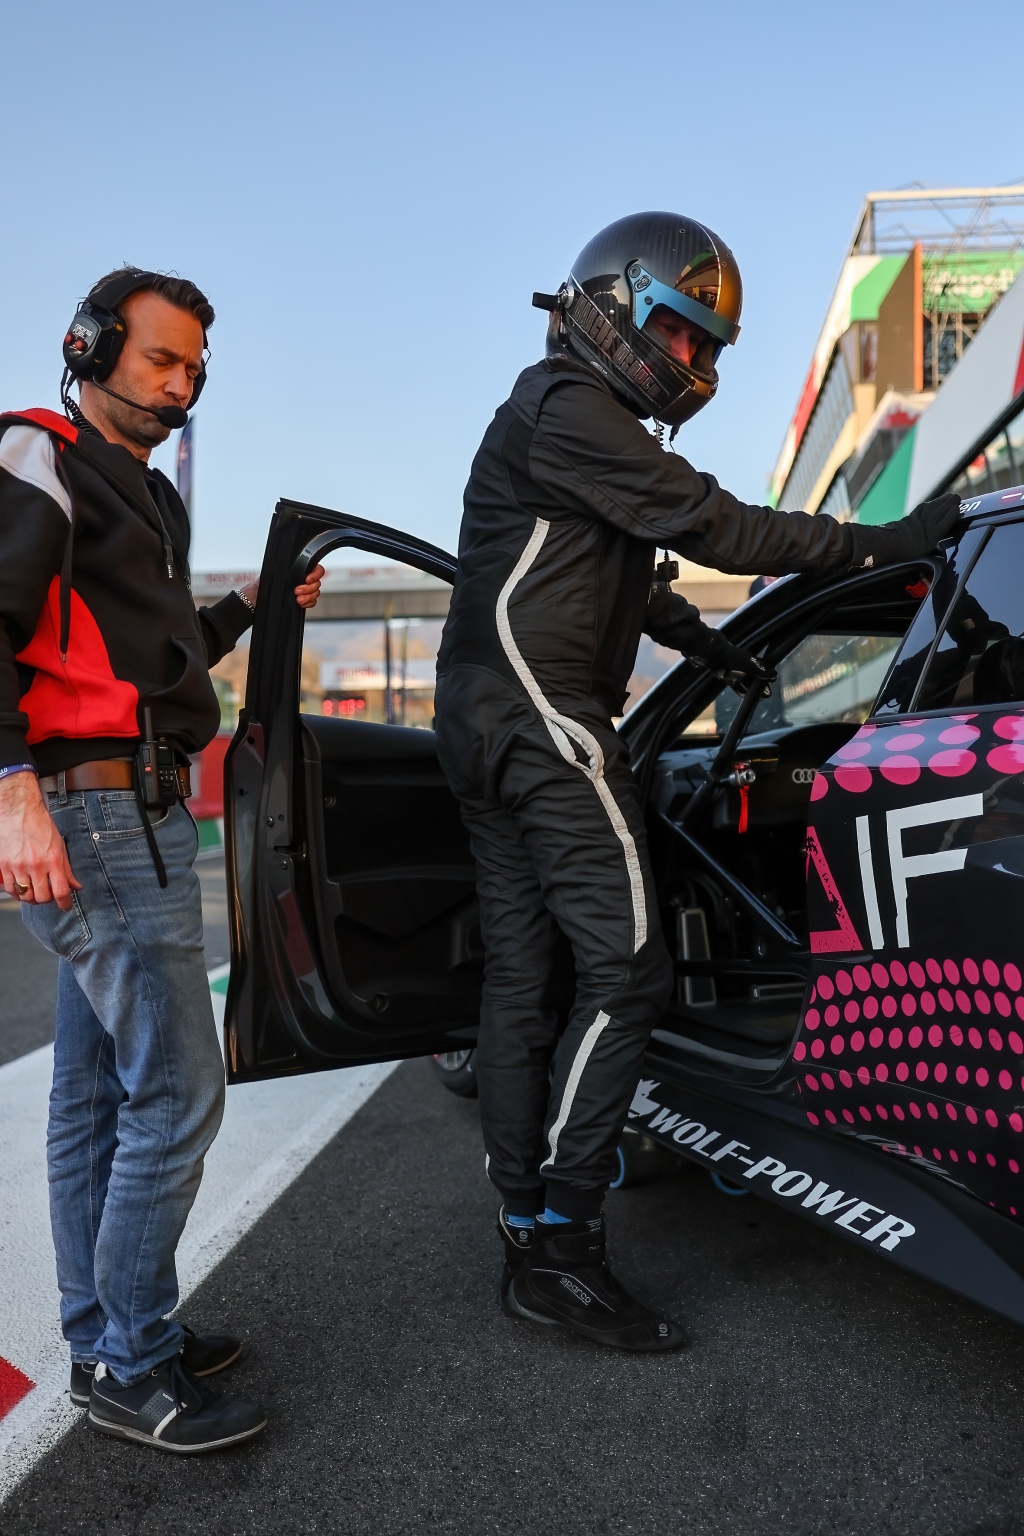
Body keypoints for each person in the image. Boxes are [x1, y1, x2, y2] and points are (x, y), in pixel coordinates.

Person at [433, 211, 961, 1352]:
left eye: (708, 346)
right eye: (680, 333)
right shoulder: (571, 405)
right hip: (540, 714)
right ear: (615, 306)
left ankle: (526, 1230)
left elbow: (627, 572)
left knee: (524, 978)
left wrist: (712, 651)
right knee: (627, 973)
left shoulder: (561, 420)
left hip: (485, 719)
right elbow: (712, 524)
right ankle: (562, 1244)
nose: (694, 361)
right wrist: (889, 544)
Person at [0, 267, 324, 1452]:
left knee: (95, 1098)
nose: (181, 385)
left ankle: (108, 1336)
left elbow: (156, 663)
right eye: (159, 359)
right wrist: (11, 794)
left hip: (130, 805)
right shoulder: (37, 454)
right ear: (90, 346)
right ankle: (131, 1365)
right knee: (180, 1092)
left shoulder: (141, 494)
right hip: (89, 813)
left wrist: (249, 605)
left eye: (194, 368)